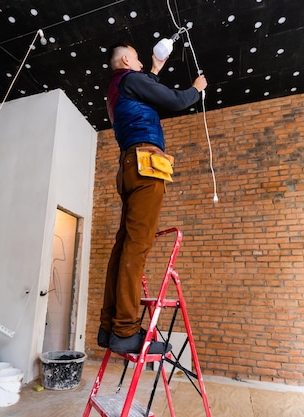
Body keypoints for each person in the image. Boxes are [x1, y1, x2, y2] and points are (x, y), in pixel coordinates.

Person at [98, 42, 207, 354]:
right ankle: (125, 330)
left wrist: (157, 67)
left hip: (130, 166)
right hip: (147, 164)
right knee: (137, 249)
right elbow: (173, 100)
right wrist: (196, 89)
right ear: (125, 59)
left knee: (122, 249)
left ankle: (109, 326)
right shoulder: (130, 79)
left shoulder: (117, 89)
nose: (142, 63)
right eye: (138, 57)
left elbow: (146, 88)